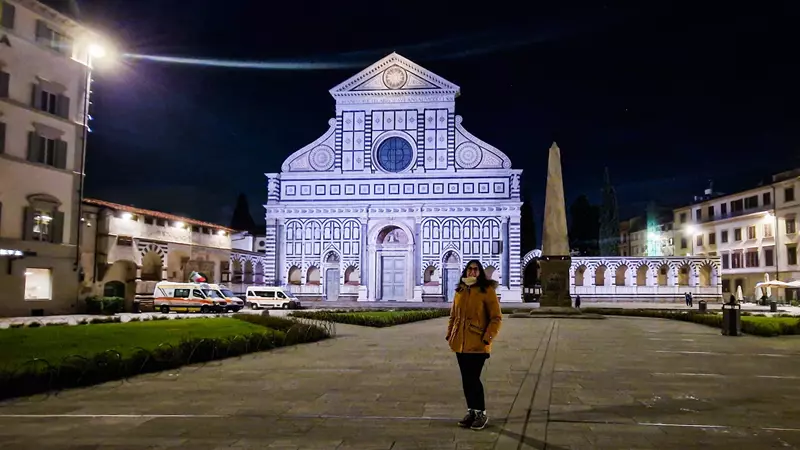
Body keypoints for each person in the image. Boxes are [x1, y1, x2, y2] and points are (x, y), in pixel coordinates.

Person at [445, 259, 502, 430]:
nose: (472, 272)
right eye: (470, 269)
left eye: (476, 269)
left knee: (473, 379)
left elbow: (496, 318)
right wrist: (450, 334)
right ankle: (471, 411)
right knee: (466, 380)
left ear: (480, 272)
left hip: (477, 343)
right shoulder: (460, 291)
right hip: (460, 343)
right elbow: (453, 316)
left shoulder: (486, 290)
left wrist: (487, 338)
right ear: (465, 271)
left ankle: (481, 413)